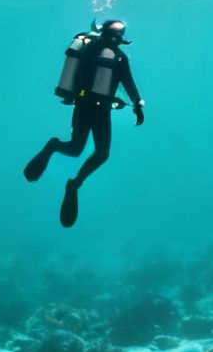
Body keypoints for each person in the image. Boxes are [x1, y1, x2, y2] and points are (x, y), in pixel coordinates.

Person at [25, 19, 144, 227]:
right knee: (97, 153)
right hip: (97, 109)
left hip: (85, 106)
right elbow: (128, 82)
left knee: (78, 149)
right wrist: (137, 106)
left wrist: (74, 95)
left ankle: (57, 154)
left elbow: (85, 76)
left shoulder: (93, 48)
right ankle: (74, 181)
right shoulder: (117, 56)